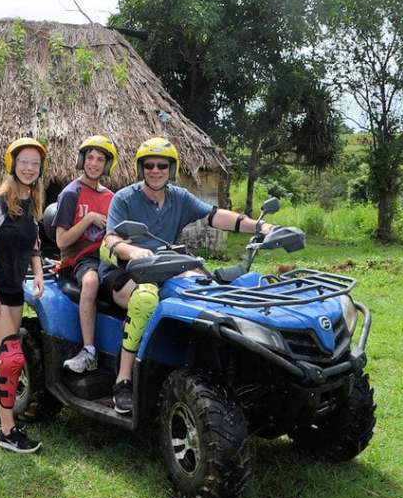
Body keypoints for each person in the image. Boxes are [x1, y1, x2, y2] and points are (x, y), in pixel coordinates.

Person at [100, 137, 274, 415]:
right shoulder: (125, 198)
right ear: (140, 168)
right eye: (149, 165)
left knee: (208, 288)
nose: (155, 170)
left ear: (172, 168)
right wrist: (132, 251)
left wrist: (261, 227)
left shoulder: (178, 197)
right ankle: (123, 380)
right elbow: (110, 240)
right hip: (125, 272)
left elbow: (216, 216)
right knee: (145, 299)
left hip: (167, 267)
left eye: (162, 165)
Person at [0, 138, 46, 453]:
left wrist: (39, 272)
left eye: (35, 164)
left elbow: (34, 241)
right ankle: (8, 430)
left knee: (2, 354)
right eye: (24, 161)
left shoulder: (32, 200)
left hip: (15, 288)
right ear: (12, 164)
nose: (29, 168)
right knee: (14, 358)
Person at [53, 135, 118, 373]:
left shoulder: (111, 197)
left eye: (100, 159)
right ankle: (89, 351)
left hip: (107, 256)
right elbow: (61, 241)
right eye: (90, 157)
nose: (94, 163)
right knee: (91, 282)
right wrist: (88, 219)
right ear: (82, 160)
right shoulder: (71, 193)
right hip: (80, 259)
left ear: (107, 165)